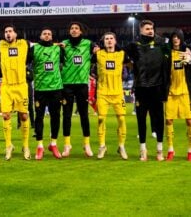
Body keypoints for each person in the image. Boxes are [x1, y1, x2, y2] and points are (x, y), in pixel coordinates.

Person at [124, 20, 172, 161]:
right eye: (147, 29)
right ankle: (143, 150)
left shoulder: (161, 43)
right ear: (141, 30)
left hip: (157, 87)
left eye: (152, 28)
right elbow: (120, 54)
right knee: (141, 119)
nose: (150, 30)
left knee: (158, 119)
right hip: (141, 88)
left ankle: (159, 150)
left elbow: (176, 49)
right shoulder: (135, 45)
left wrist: (189, 51)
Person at [0, 25, 33, 161]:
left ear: (16, 33)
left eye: (10, 31)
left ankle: (25, 146)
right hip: (7, 86)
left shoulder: (24, 44)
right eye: (5, 32)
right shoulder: (0, 45)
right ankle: (8, 145)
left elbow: (41, 45)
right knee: (5, 115)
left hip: (21, 86)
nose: (8, 34)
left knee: (23, 116)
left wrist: (58, 44)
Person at [93, 32, 131, 160]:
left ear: (115, 41)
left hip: (117, 93)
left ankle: (121, 146)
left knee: (121, 119)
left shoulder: (122, 54)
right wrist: (94, 47)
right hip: (102, 92)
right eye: (106, 39)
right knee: (101, 119)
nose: (109, 41)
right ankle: (102, 146)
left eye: (111, 39)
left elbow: (133, 61)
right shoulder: (98, 54)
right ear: (103, 42)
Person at [60, 22, 95, 157]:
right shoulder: (64, 44)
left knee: (84, 115)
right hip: (67, 84)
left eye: (76, 28)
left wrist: (96, 48)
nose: (74, 30)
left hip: (81, 84)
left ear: (81, 31)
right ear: (69, 31)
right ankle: (67, 144)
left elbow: (98, 48)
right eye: (72, 28)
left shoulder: (88, 44)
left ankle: (86, 144)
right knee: (67, 115)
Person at [30, 28, 64, 160]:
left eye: (49, 34)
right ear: (40, 35)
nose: (47, 35)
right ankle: (40, 146)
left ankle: (53, 144)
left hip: (56, 88)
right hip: (40, 88)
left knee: (55, 117)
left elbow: (65, 63)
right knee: (39, 118)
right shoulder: (34, 49)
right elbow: (24, 61)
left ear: (52, 36)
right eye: (44, 33)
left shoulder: (58, 49)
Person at [164, 30, 191, 162]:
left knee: (189, 121)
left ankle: (190, 150)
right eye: (174, 37)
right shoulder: (168, 54)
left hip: (185, 92)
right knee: (168, 121)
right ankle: (170, 149)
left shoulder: (187, 52)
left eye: (178, 37)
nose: (176, 39)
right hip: (171, 92)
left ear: (182, 39)